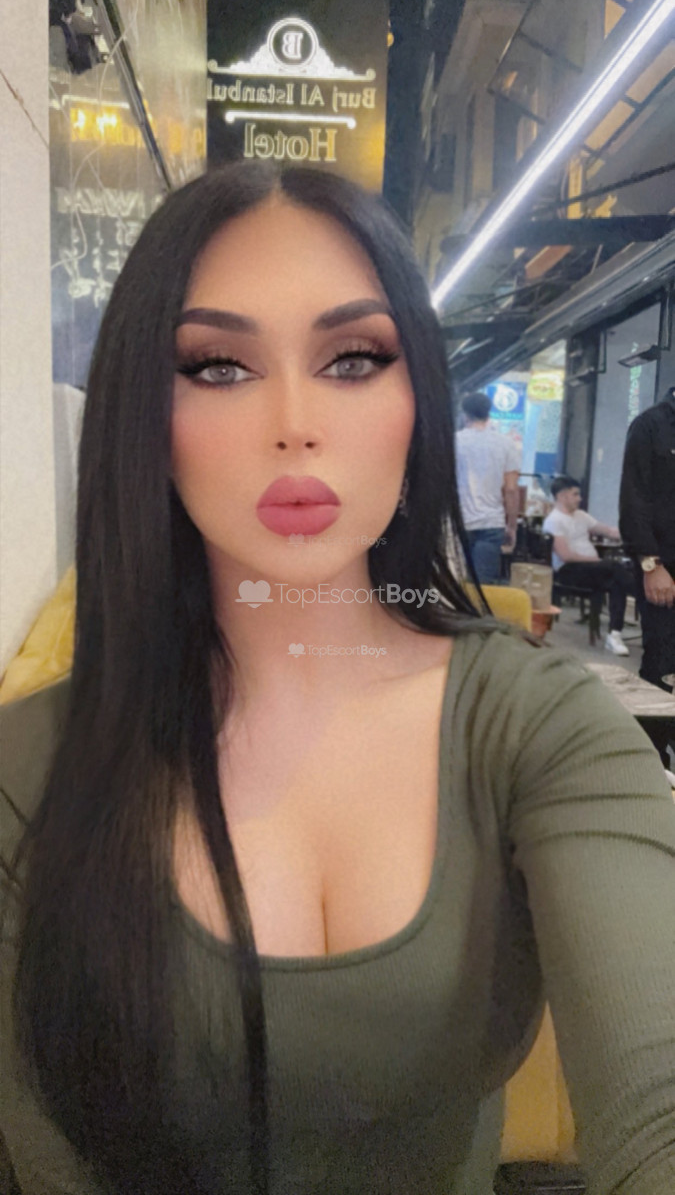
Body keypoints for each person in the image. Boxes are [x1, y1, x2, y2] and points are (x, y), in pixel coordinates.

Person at [1, 162, 674, 1195]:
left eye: (353, 359)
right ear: (145, 415)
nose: (294, 421)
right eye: (218, 366)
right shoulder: (30, 770)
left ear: (417, 401)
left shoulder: (539, 728)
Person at [619, 386, 675, 691]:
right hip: (665, 569)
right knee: (662, 665)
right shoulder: (650, 426)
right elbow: (634, 502)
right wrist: (651, 566)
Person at [543, 475, 634, 656]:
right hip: (568, 571)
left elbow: (609, 532)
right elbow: (565, 556)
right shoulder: (554, 521)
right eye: (575, 494)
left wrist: (636, 534)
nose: (580, 498)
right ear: (562, 496)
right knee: (617, 569)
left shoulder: (581, 516)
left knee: (618, 582)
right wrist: (596, 561)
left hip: (591, 570)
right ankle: (647, 595)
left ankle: (614, 634)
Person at [454, 391, 520, 583]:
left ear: (464, 414)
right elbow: (511, 489)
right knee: (484, 586)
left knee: (456, 582)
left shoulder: (453, 442)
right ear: (488, 414)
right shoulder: (506, 444)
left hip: (459, 521)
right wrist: (512, 526)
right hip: (492, 523)